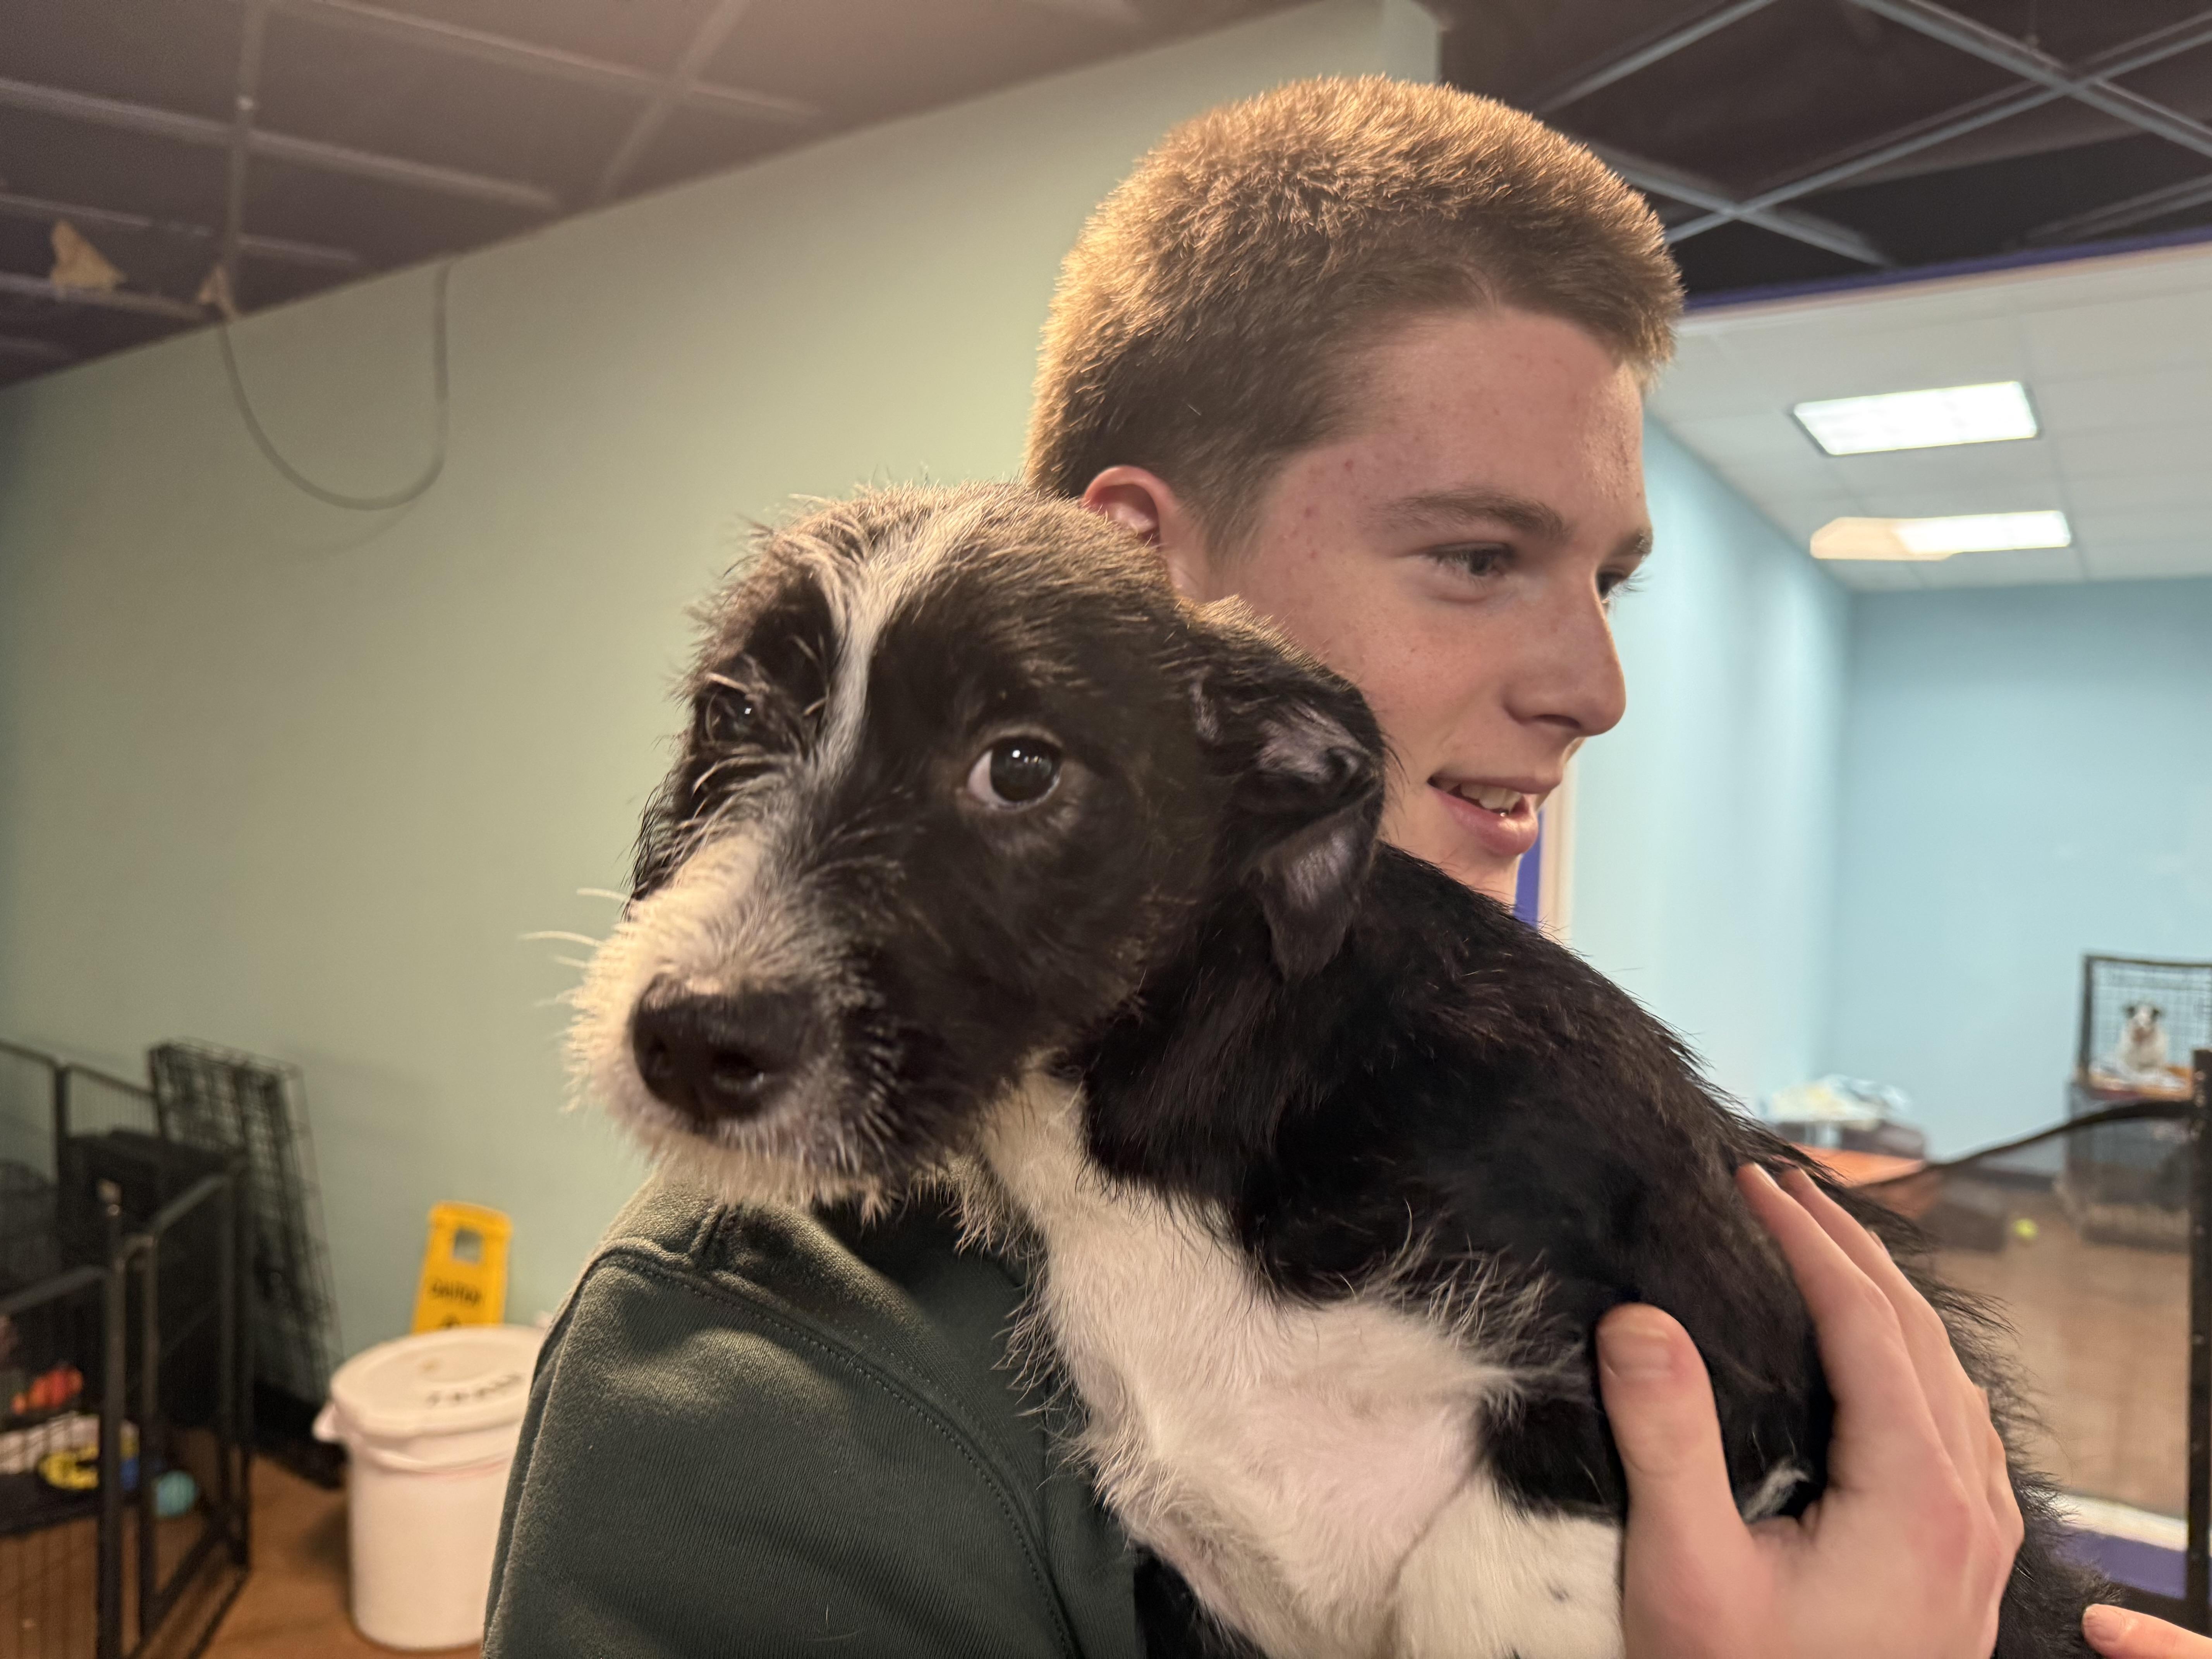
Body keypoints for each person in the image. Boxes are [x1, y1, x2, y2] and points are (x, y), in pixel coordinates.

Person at [483, 77, 2202, 1659]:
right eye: (1473, 554)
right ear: (1135, 574)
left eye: (1611, 582)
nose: (1596, 692)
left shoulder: (1457, 1093)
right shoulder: (753, 1398)